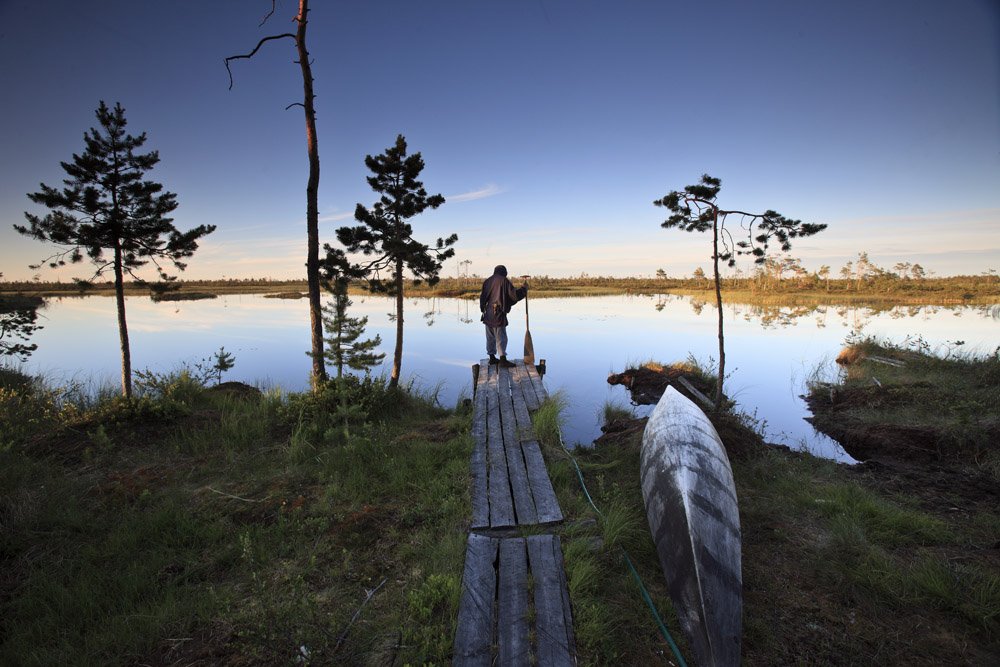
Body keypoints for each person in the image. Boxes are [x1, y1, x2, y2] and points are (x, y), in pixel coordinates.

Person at [479, 264, 527, 367]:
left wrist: (483, 309)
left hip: (488, 314)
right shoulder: (504, 281)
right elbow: (513, 296)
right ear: (504, 272)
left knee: (490, 337)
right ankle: (503, 360)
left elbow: (482, 298)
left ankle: (492, 358)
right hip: (498, 314)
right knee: (501, 337)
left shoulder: (487, 281)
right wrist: (523, 290)